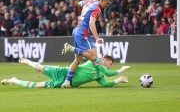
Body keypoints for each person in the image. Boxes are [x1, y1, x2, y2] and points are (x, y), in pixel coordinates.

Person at [61, 0, 111, 87]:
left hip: (76, 30)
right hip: (83, 32)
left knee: (77, 60)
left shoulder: (88, 2)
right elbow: (92, 23)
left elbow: (78, 3)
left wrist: (77, 13)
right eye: (106, 4)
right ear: (102, 1)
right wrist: (97, 38)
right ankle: (70, 48)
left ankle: (67, 82)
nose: (106, 6)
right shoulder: (97, 9)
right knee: (93, 57)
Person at [1, 55, 130, 88]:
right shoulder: (95, 61)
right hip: (64, 73)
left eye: (112, 65)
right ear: (104, 60)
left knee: (36, 86)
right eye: (110, 63)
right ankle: (29, 61)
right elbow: (108, 73)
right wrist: (120, 71)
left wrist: (117, 81)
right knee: (38, 68)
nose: (110, 66)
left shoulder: (100, 74)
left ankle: (14, 80)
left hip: (65, 84)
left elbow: (105, 84)